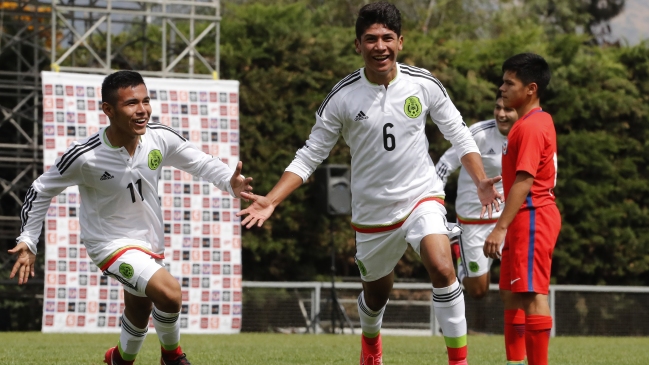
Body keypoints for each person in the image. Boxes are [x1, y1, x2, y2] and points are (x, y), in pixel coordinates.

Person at [237, 3, 502, 365]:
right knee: (377, 295)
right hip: (372, 213)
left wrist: (481, 179)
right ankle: (371, 343)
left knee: (442, 266)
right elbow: (310, 154)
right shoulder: (343, 97)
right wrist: (272, 199)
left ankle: (458, 361)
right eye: (371, 39)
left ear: (401, 42)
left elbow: (459, 134)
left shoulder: (423, 84)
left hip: (421, 199)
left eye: (387, 38)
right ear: (357, 45)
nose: (380, 46)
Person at [8, 70, 253, 365]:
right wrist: (28, 241)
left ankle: (119, 360)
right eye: (131, 104)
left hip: (149, 241)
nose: (142, 110)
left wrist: (231, 181)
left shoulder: (159, 138)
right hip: (108, 244)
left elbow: (200, 162)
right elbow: (41, 189)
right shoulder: (85, 156)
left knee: (139, 312)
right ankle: (172, 357)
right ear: (108, 110)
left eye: (146, 101)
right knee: (170, 293)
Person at [484, 53, 560, 365]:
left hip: (533, 216)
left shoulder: (531, 127)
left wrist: (499, 228)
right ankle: (515, 361)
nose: (502, 88)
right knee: (510, 295)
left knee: (532, 295)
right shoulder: (527, 122)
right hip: (524, 216)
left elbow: (525, 179)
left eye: (508, 83)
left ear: (530, 88)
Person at [436, 91, 517, 299]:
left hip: (508, 220)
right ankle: (458, 251)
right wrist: (434, 202)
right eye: (498, 108)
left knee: (518, 282)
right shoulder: (479, 133)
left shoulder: (527, 134)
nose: (501, 114)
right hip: (474, 220)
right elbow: (445, 164)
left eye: (508, 109)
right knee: (478, 291)